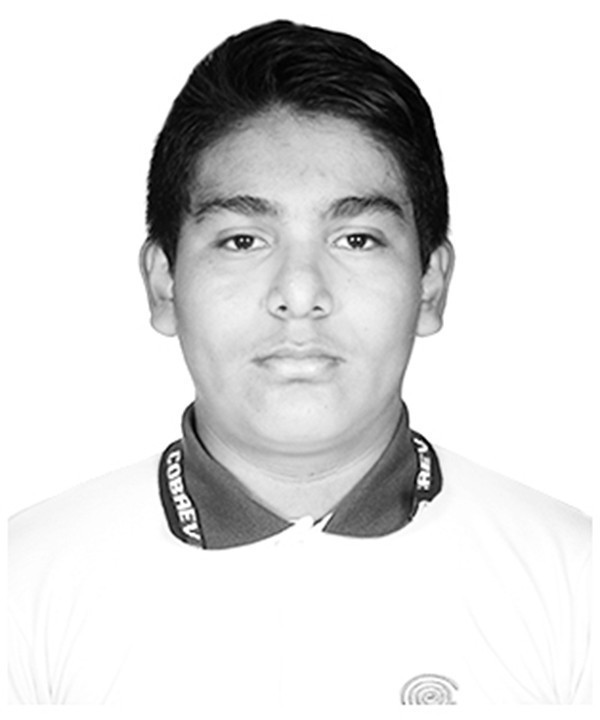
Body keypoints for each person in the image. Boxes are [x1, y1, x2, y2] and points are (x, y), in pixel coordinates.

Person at [8, 19, 591, 711]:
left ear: (431, 285)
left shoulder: (575, 581)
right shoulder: (22, 585)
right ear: (164, 284)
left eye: (357, 238)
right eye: (243, 239)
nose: (300, 293)